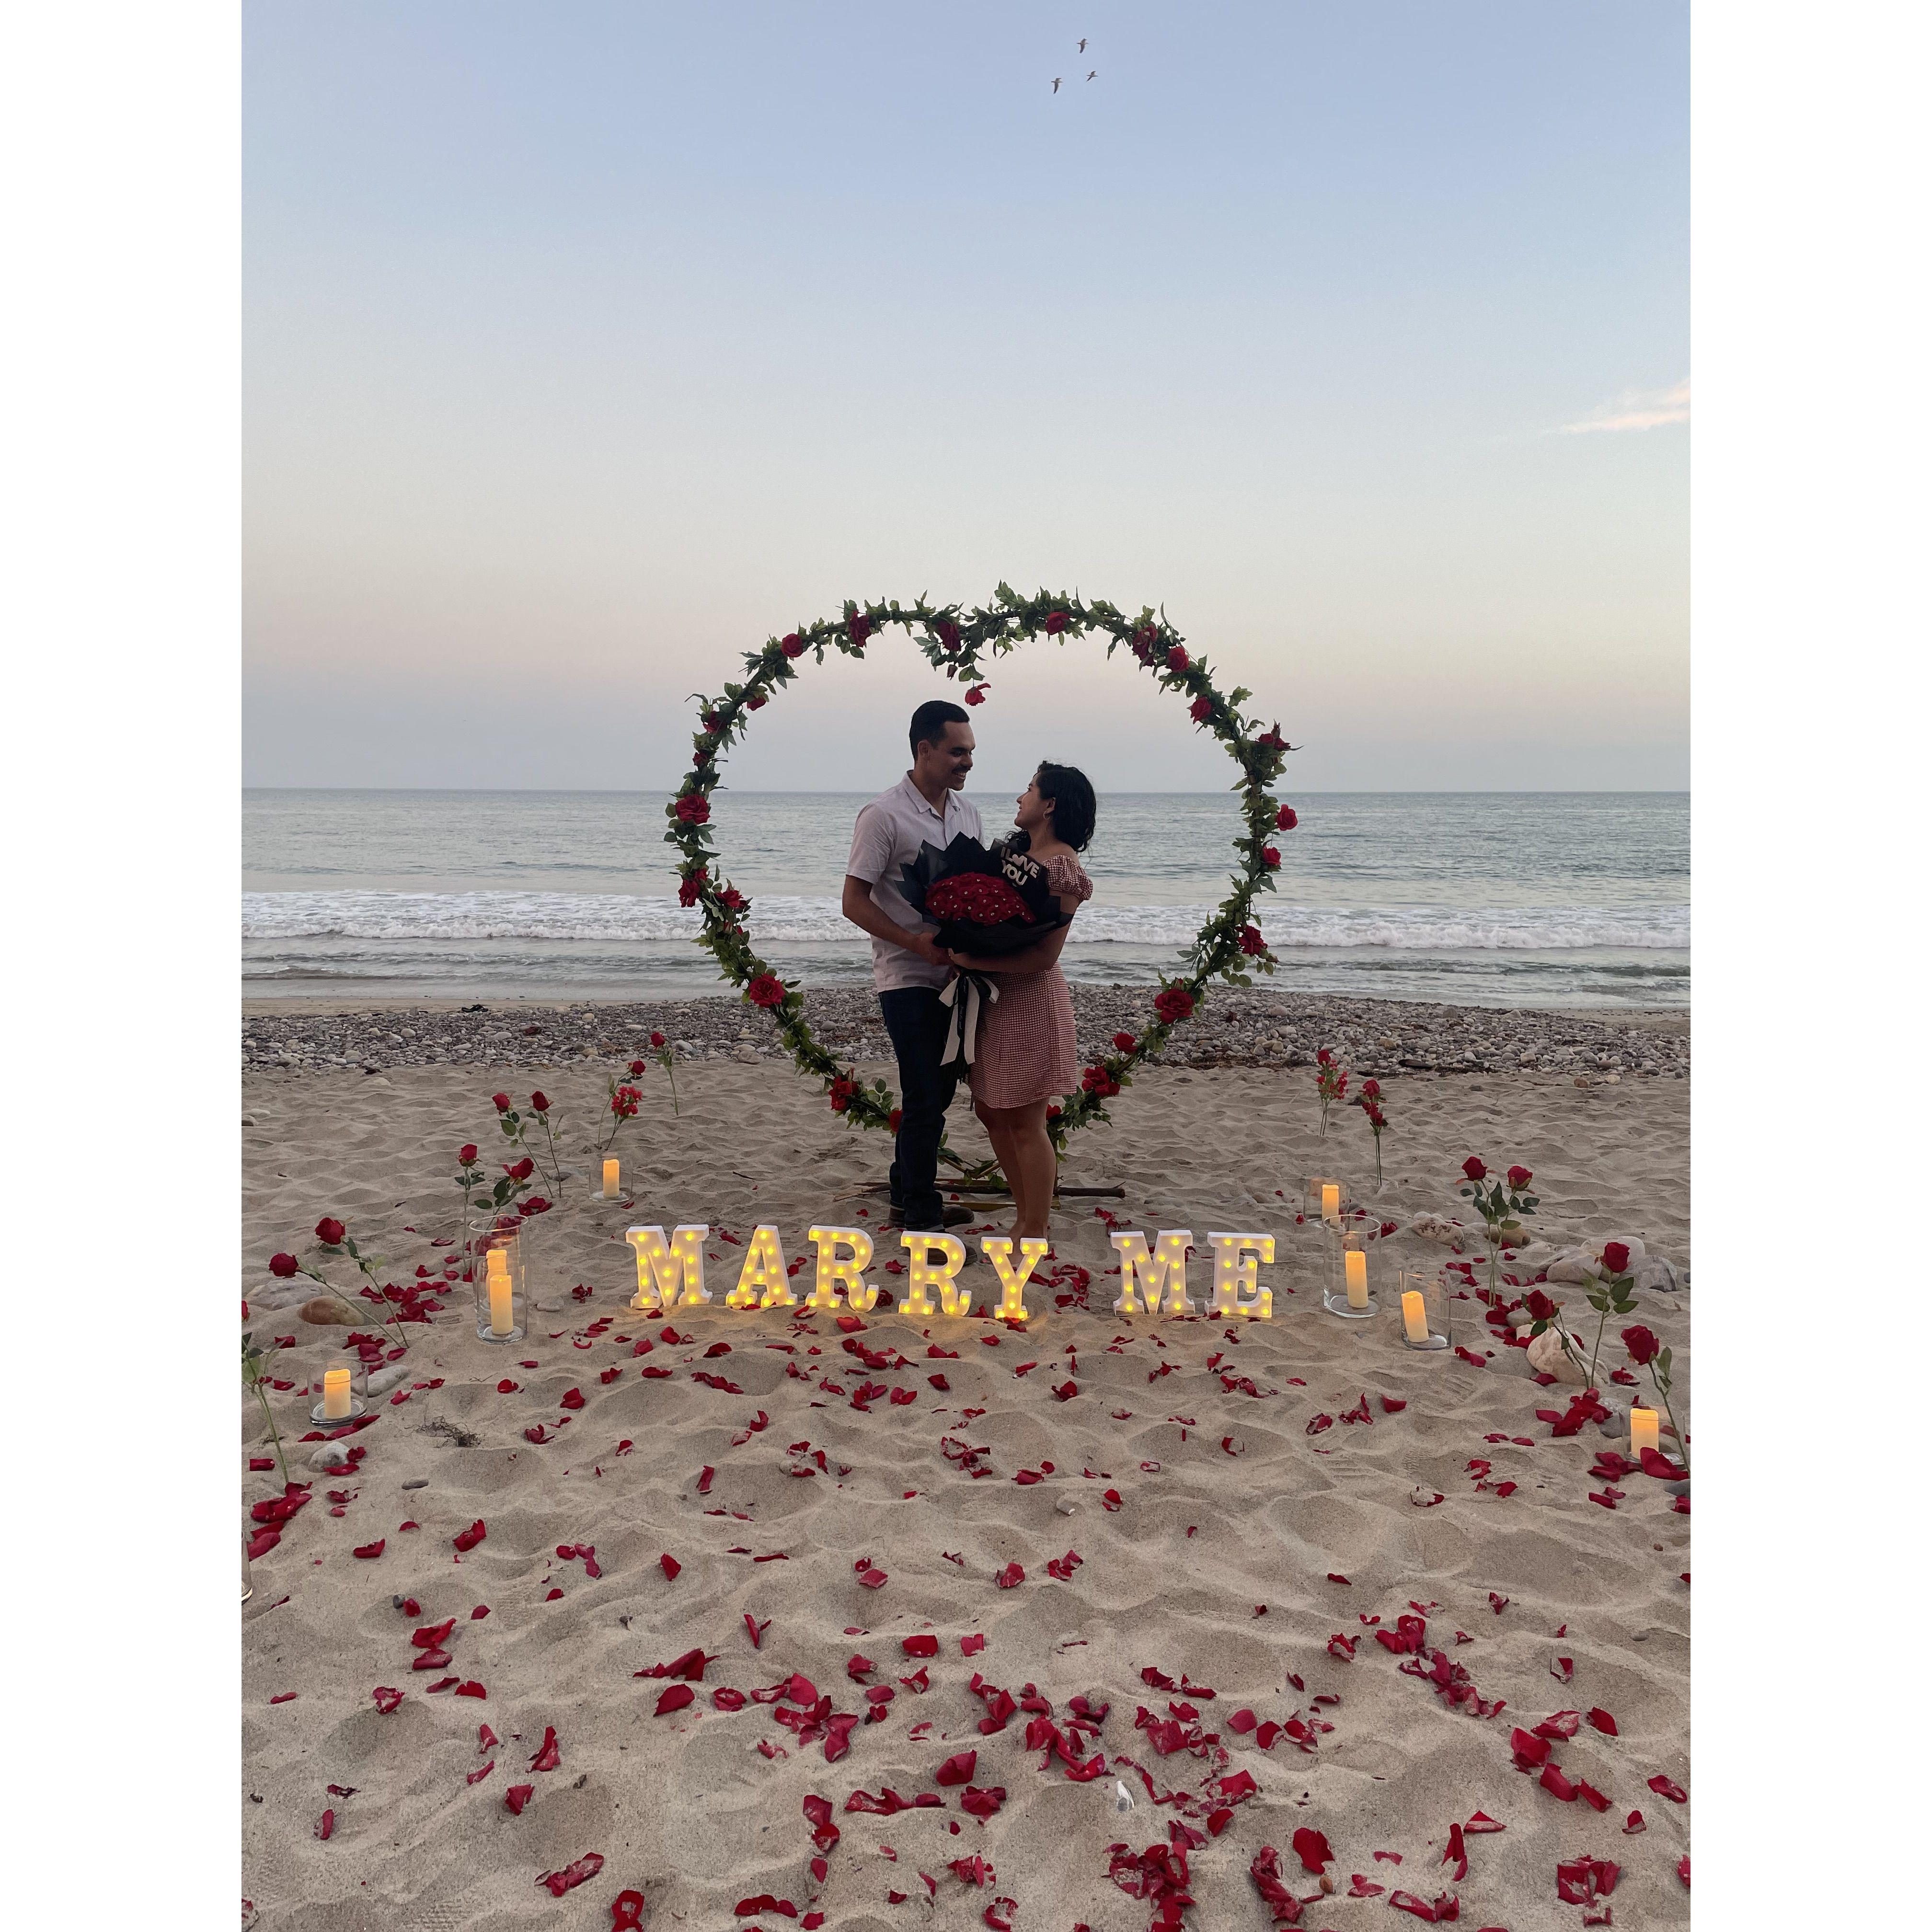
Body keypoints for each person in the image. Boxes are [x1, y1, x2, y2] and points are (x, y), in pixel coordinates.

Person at [841, 701, 983, 1234]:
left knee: (941, 1092)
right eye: (957, 752)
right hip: (905, 976)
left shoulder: (968, 813)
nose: (967, 762)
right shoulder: (883, 815)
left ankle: (906, 1191)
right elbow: (853, 902)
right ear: (924, 750)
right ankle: (922, 1214)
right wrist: (913, 942)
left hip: (959, 976)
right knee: (924, 1091)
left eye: (971, 753)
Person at [946, 762, 1097, 1246]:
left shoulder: (1060, 866)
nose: (1020, 798)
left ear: (1050, 804)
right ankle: (1022, 1211)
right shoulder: (1017, 854)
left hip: (1030, 1000)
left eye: (1030, 789)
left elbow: (1044, 954)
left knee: (1026, 1120)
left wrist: (972, 956)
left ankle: (1034, 1226)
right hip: (993, 999)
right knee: (991, 1112)